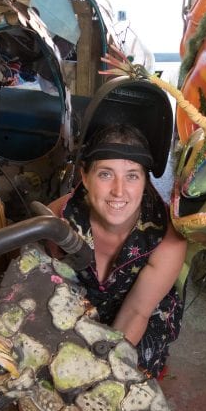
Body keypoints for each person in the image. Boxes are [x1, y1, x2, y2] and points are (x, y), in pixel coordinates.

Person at [48, 124, 186, 378]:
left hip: (141, 307)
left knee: (131, 372)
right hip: (82, 301)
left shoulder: (169, 236)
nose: (119, 191)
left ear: (145, 181)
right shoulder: (58, 218)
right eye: (105, 174)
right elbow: (45, 283)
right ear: (85, 177)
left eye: (132, 175)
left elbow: (136, 311)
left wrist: (99, 371)